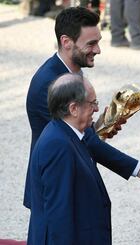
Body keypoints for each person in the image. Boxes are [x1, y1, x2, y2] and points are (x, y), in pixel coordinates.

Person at [24, 7, 140, 210]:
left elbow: (79, 133)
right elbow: (77, 139)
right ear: (66, 42)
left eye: (98, 41)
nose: (98, 50)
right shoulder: (48, 84)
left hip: (72, 180)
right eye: (91, 44)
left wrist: (102, 125)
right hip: (55, 191)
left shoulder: (70, 72)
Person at [28, 73, 114, 244]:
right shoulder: (58, 146)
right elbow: (60, 219)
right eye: (92, 103)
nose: (97, 109)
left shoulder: (68, 134)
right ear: (73, 109)